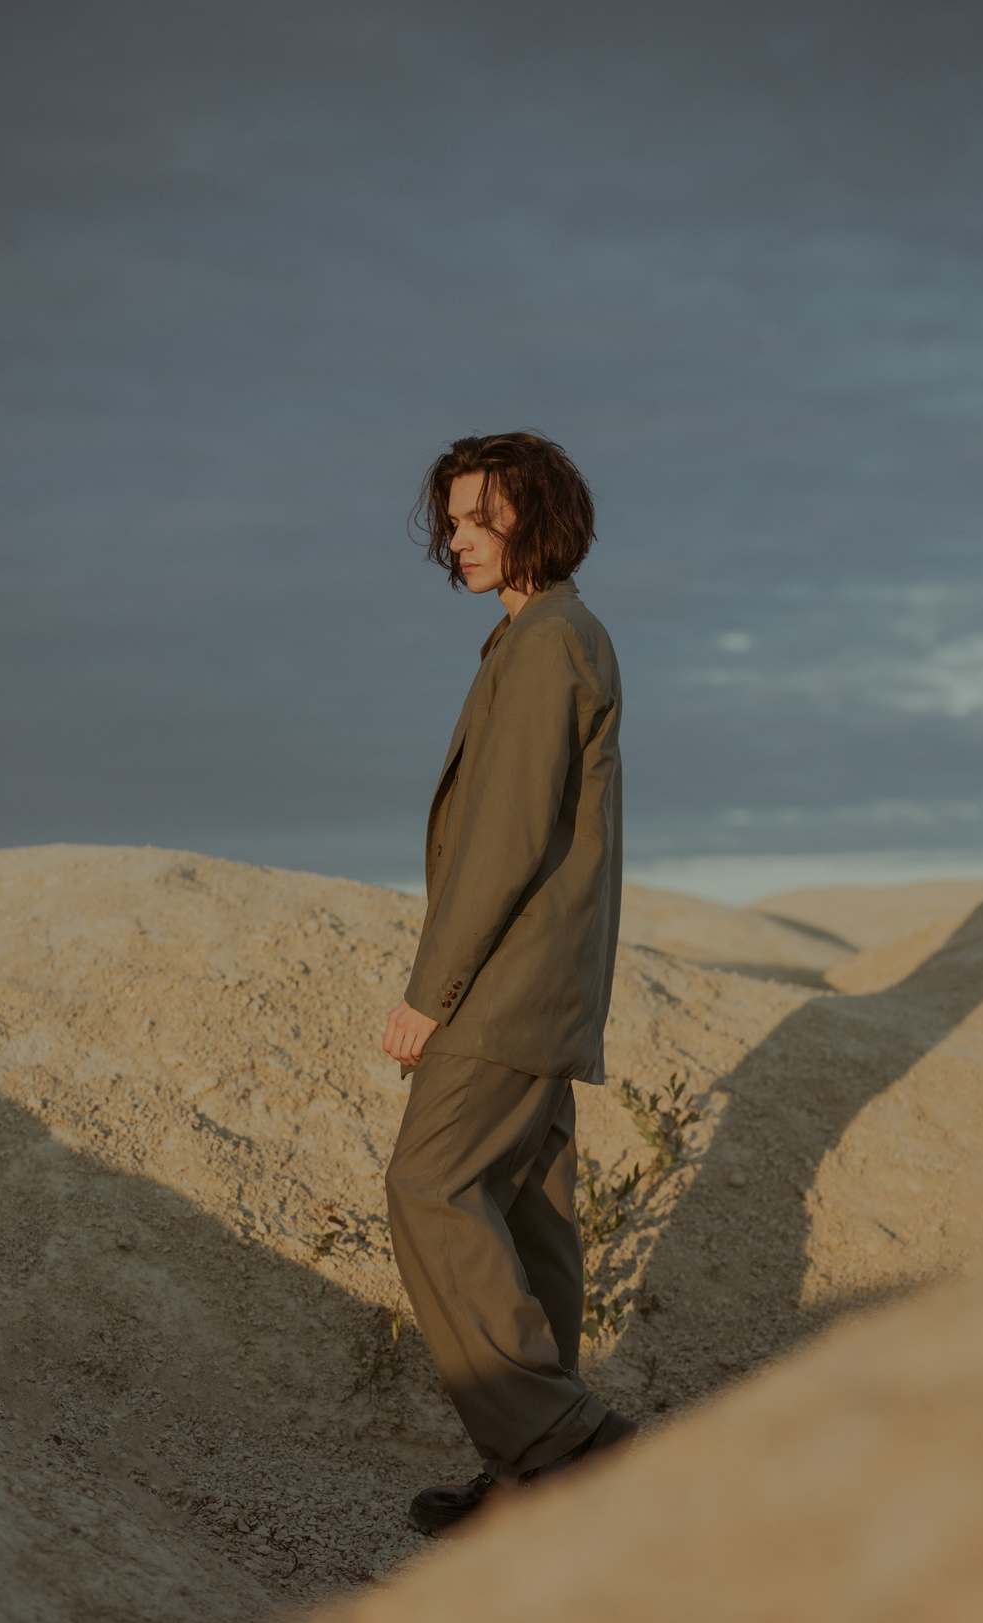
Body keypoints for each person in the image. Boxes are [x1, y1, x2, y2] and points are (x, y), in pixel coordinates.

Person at [383, 432, 637, 1536]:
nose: (457, 539)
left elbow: (505, 839)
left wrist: (427, 993)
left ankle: (572, 1443)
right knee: (530, 1217)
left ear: (535, 520)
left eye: (480, 519)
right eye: (452, 520)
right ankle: (542, 1479)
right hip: (545, 983)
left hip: (507, 984)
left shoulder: (546, 645)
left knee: (429, 1187)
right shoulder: (546, 638)